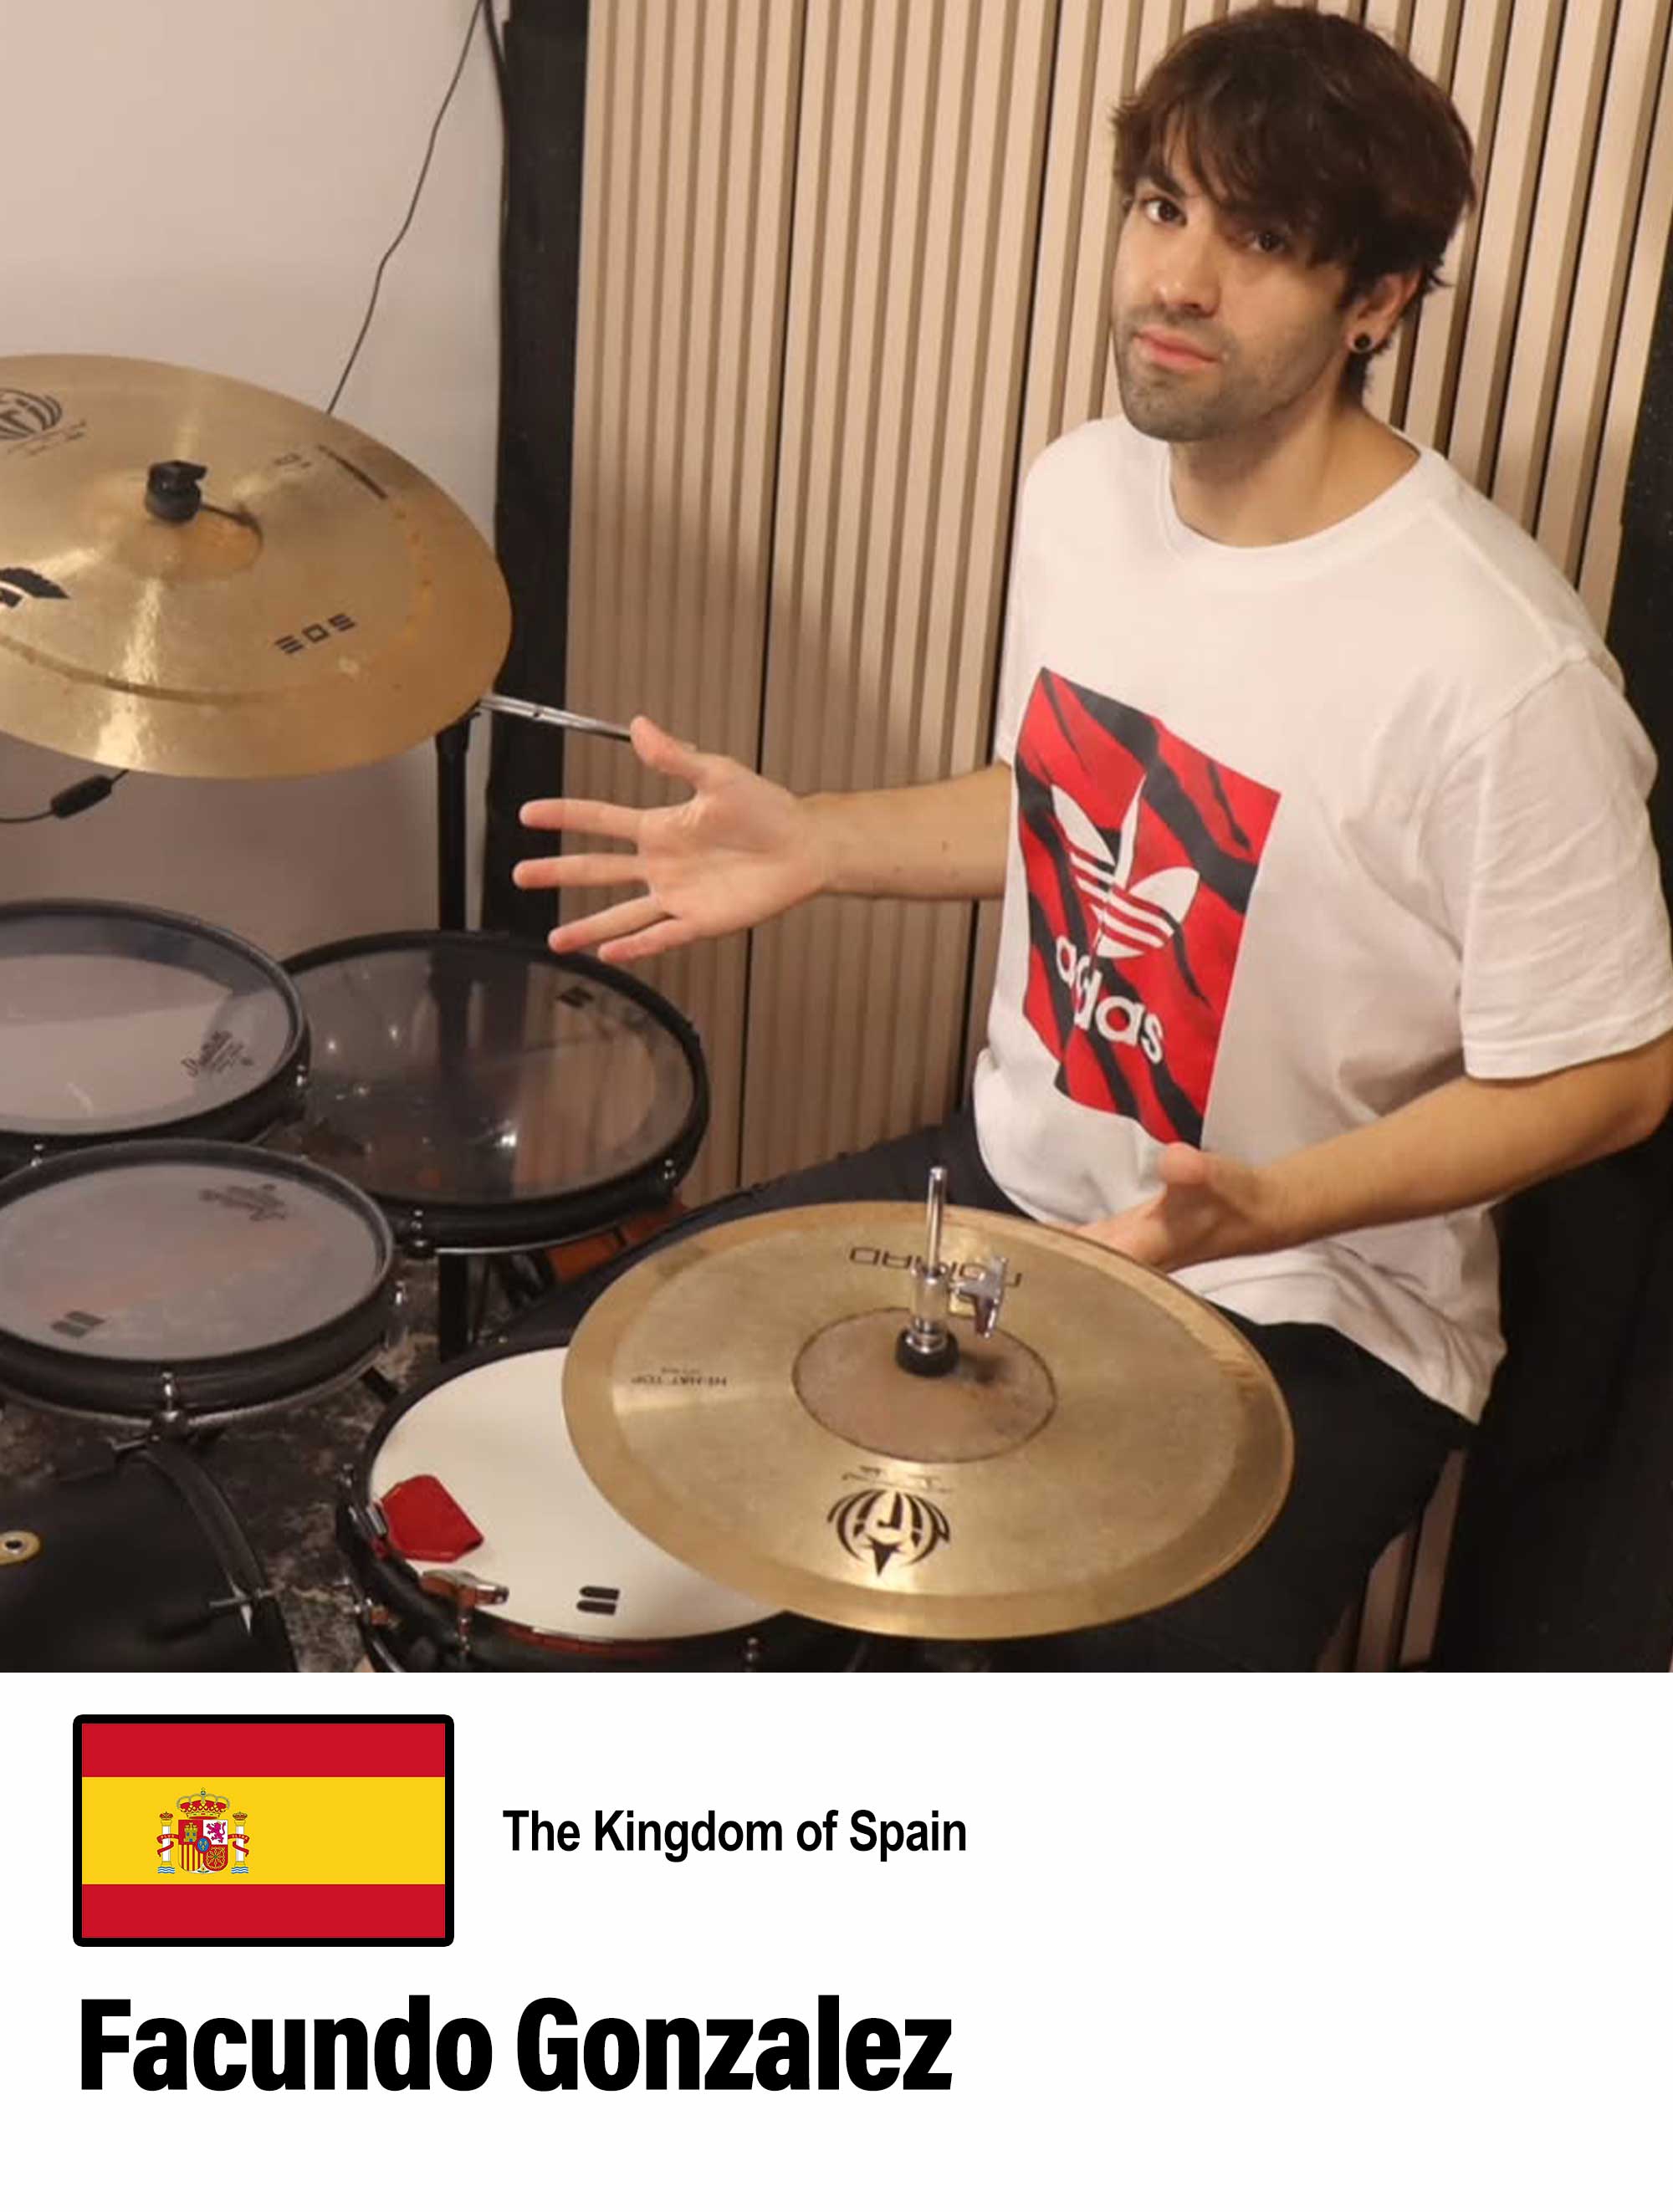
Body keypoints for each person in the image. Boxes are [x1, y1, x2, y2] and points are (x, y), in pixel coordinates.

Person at [511, 6, 1673, 1668]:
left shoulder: (1496, 669)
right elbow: (1076, 798)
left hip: (1313, 1309)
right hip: (1016, 1202)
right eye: (1161, 207)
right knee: (576, 1414)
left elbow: (1612, 1075)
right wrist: (819, 841)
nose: (1176, 279)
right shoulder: (1086, 489)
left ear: (1377, 302)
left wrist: (1271, 1204)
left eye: (1258, 239)